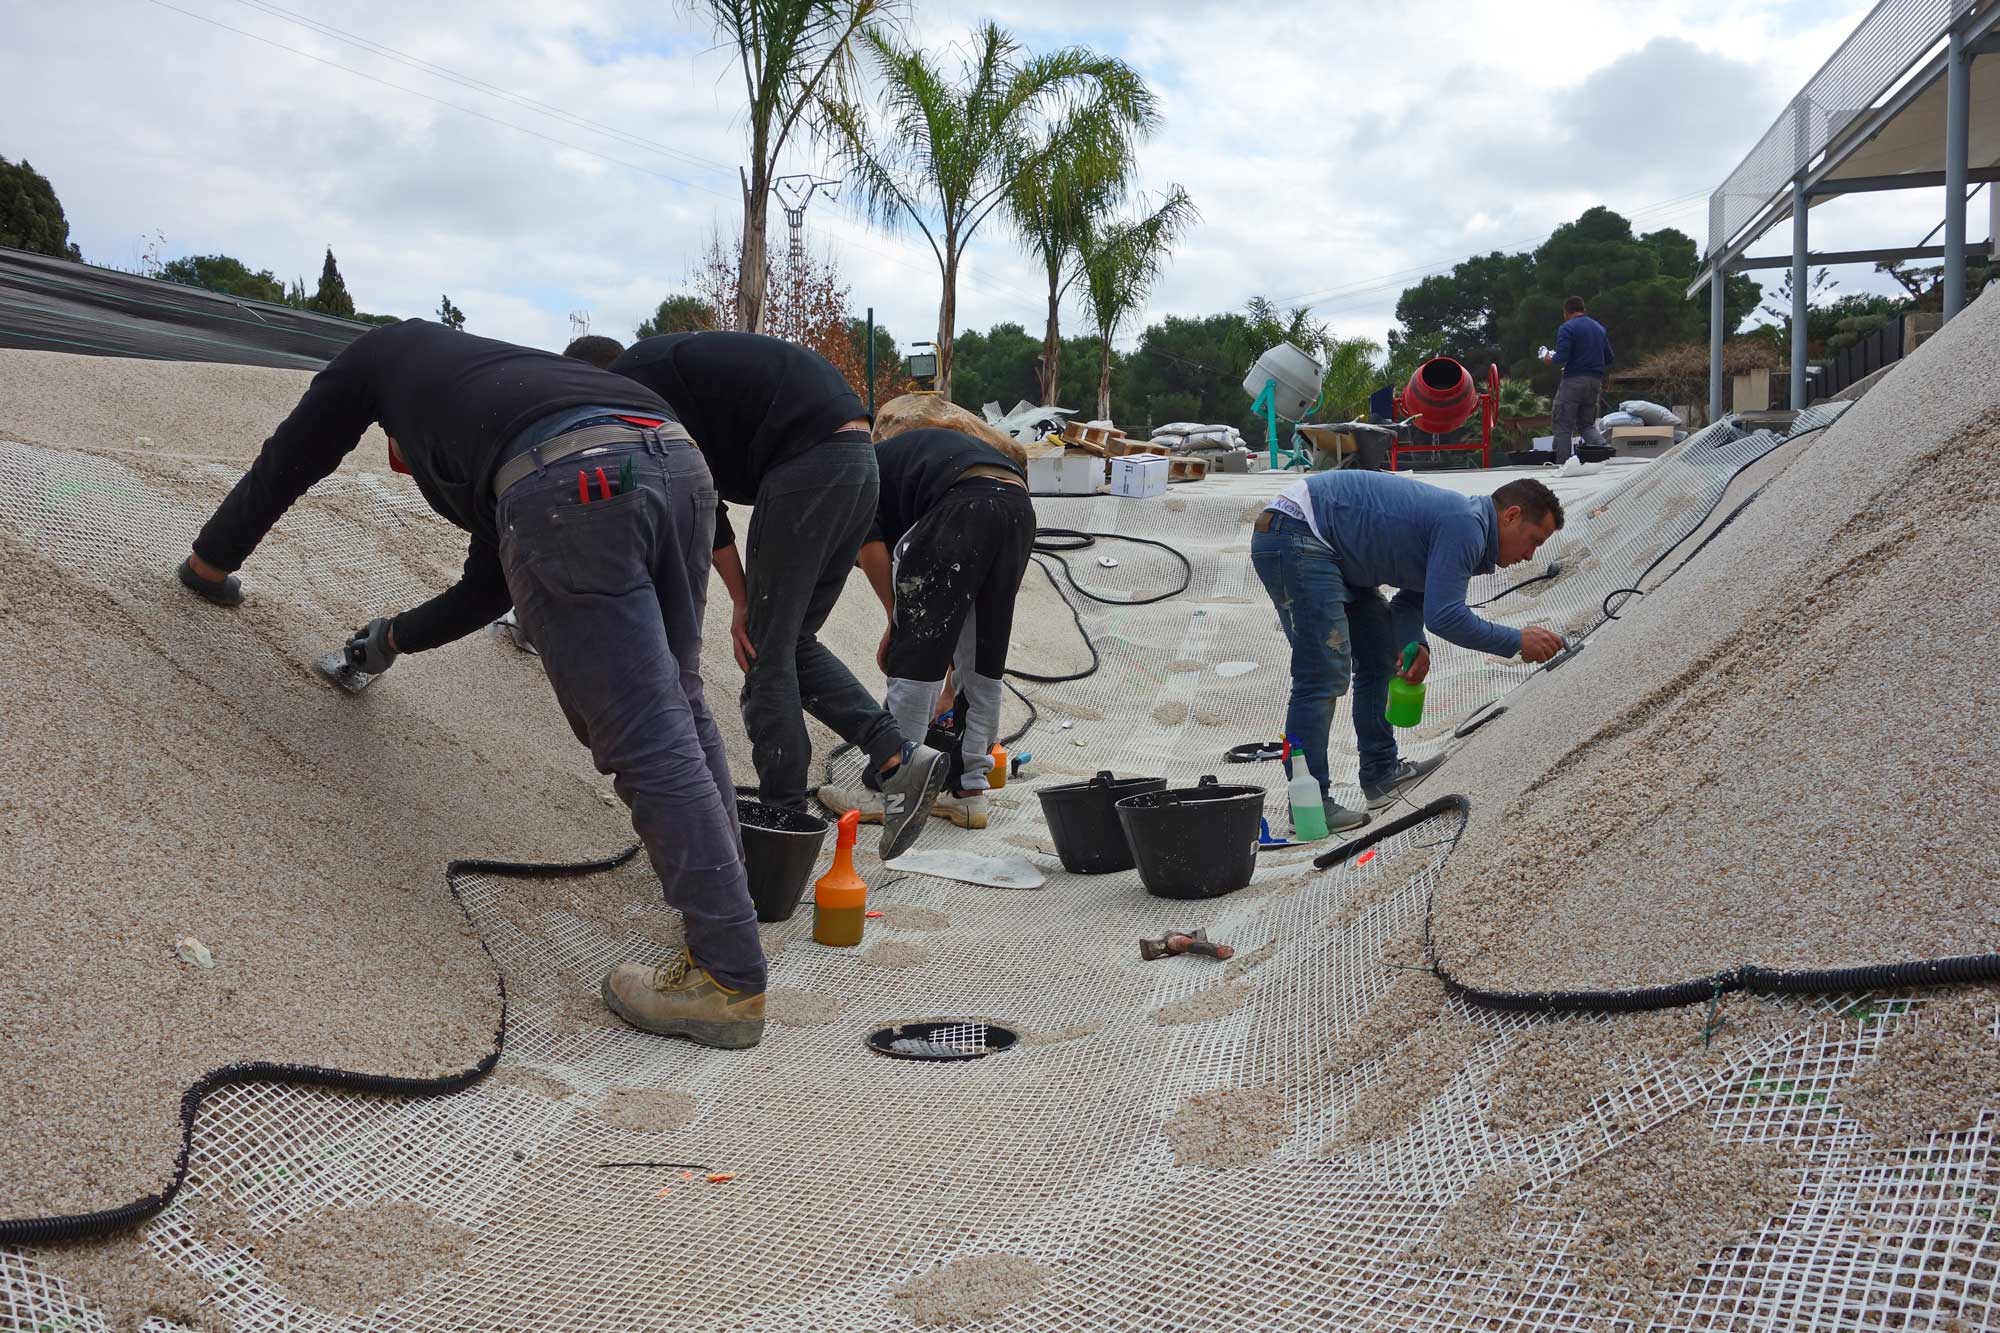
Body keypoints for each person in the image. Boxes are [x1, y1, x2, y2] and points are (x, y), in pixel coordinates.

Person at [177, 319, 768, 1050]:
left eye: (397, 457)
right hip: (676, 463)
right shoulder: (496, 394)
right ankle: (726, 900)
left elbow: (288, 460)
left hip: (575, 479)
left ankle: (728, 976)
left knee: (641, 731)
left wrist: (208, 565)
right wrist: (390, 637)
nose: (401, 468)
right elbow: (488, 588)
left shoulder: (378, 358)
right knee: (677, 701)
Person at [580, 332, 948, 861]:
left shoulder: (633, 384)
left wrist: (741, 599)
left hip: (809, 465)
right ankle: (896, 757)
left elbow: (697, 493)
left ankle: (782, 820)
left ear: (596, 376)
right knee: (791, 640)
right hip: (857, 464)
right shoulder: (671, 367)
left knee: (766, 653)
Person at [1250, 472, 1567, 832]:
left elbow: (1410, 601)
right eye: (1533, 541)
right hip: (1298, 531)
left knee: (1380, 658)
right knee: (1322, 673)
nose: (1529, 556)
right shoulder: (1466, 525)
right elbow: (1446, 616)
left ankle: (1381, 773)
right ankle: (1308, 805)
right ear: (1510, 516)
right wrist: (1515, 641)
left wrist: (1413, 643)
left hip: (1329, 547)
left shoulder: (1468, 529)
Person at [816, 428, 1036, 832]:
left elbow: (871, 550)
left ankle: (889, 790)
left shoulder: (851, 476)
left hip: (965, 503)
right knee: (984, 656)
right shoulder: (902, 458)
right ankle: (968, 790)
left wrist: (898, 623)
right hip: (1018, 505)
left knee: (915, 659)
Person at [1543, 295, 1614, 458]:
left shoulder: (1567, 328)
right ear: (1584, 310)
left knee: (1563, 427)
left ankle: (1563, 467)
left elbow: (1561, 357)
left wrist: (1548, 359)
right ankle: (1607, 454)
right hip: (1595, 382)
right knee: (1587, 426)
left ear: (1566, 312)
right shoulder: (1599, 328)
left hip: (1573, 382)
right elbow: (1609, 358)